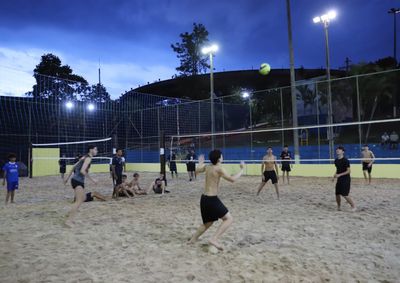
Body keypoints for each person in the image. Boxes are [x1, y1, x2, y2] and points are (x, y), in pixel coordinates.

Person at [188, 150, 244, 251]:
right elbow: (232, 179)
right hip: (212, 199)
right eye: (221, 156)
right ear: (219, 158)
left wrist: (200, 162)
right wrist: (242, 170)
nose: (223, 157)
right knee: (229, 219)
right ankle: (214, 239)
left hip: (204, 199)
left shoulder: (207, 166)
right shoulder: (219, 168)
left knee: (208, 223)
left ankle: (192, 240)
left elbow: (196, 170)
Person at [64, 145, 98, 227]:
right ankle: (68, 221)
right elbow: (82, 171)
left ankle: (70, 213)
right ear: (91, 150)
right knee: (78, 201)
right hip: (78, 181)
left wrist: (67, 178)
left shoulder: (84, 157)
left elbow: (73, 167)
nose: (97, 151)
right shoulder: (88, 158)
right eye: (95, 149)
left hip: (76, 180)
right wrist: (93, 180)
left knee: (83, 198)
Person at [332, 146, 356, 212]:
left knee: (345, 194)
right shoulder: (336, 160)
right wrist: (334, 175)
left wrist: (339, 175)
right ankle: (339, 207)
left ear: (343, 152)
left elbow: (349, 171)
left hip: (346, 179)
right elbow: (338, 169)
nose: (337, 150)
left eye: (339, 150)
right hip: (339, 179)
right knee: (337, 194)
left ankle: (353, 206)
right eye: (337, 149)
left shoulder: (346, 160)